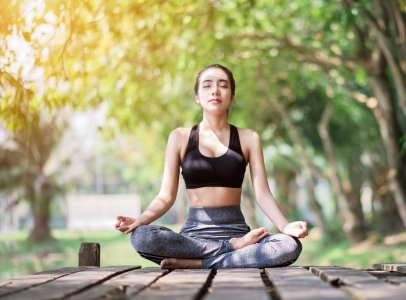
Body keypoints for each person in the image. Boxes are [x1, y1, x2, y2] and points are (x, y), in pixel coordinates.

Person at [114, 64, 308, 269]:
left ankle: (199, 263)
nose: (215, 91)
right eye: (207, 86)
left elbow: (263, 194)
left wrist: (285, 226)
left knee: (288, 245)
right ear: (197, 96)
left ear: (231, 95)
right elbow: (166, 196)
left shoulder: (249, 138)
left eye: (223, 85)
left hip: (238, 231)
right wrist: (140, 220)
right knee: (142, 237)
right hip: (194, 238)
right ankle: (229, 251)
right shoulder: (179, 137)